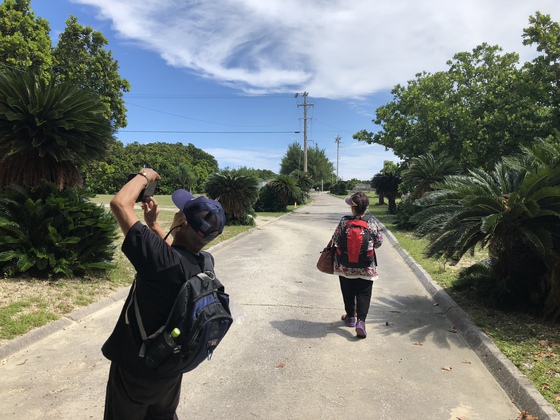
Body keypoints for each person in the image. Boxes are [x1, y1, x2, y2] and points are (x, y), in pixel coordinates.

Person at [102, 168, 226, 420]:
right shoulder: (205, 263)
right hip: (171, 366)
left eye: (180, 211)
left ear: (181, 223)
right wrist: (154, 224)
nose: (178, 212)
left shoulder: (161, 260)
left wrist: (144, 175)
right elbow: (175, 250)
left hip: (137, 369)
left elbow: (119, 204)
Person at [330, 191, 383, 339]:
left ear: (353, 208)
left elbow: (335, 240)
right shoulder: (371, 222)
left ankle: (350, 317)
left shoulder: (344, 221)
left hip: (345, 266)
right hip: (366, 266)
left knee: (348, 291)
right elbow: (378, 242)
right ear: (366, 207)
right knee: (364, 294)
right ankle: (361, 321)